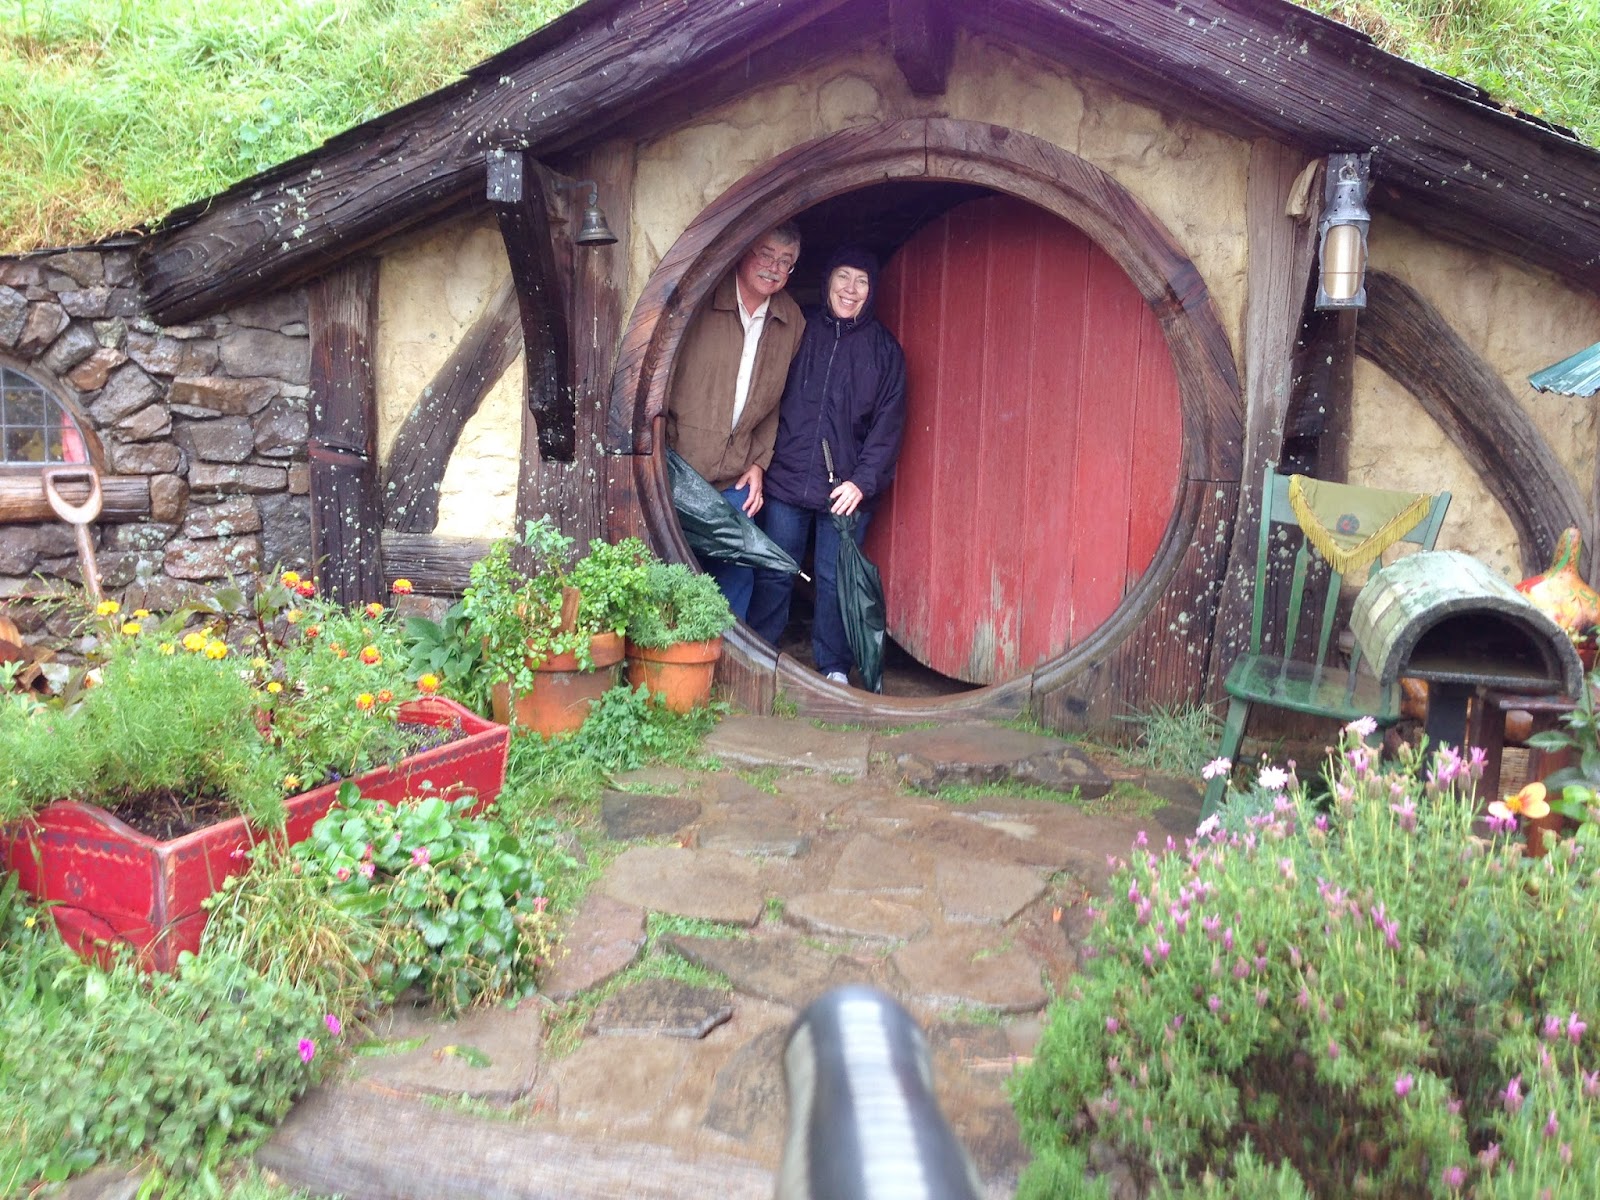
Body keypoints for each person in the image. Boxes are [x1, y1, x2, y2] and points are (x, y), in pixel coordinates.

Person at [749, 246, 906, 686]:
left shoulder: (885, 352)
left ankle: (833, 668)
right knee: (775, 569)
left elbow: (888, 429)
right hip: (786, 478)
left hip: (845, 489)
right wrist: (758, 460)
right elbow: (765, 397)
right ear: (827, 280)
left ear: (872, 290)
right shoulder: (800, 330)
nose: (850, 289)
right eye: (843, 277)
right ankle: (758, 653)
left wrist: (862, 482)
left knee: (836, 580)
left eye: (861, 281)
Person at [665, 223, 805, 621]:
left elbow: (775, 401)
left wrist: (759, 462)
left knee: (736, 578)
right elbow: (659, 381)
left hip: (736, 479)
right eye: (766, 254)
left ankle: (724, 659)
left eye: (786, 261)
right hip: (677, 469)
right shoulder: (701, 298)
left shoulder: (792, 319)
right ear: (744, 251)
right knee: (671, 574)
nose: (773, 267)